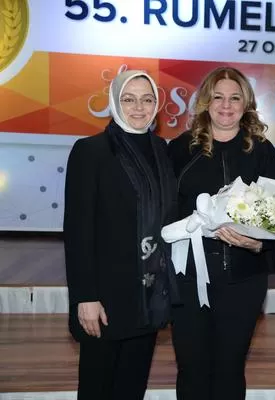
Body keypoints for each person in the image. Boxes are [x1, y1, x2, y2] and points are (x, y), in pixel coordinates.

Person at [167, 66, 275, 400]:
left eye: (235, 98)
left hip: (244, 280)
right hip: (188, 278)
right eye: (218, 97)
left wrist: (258, 243)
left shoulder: (262, 151)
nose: (226, 105)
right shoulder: (179, 150)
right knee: (191, 368)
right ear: (206, 102)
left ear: (246, 105)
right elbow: (163, 211)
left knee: (230, 368)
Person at [63, 70, 179, 399]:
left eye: (147, 99)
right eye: (129, 99)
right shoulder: (91, 151)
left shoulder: (162, 149)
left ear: (157, 105)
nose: (139, 108)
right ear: (114, 102)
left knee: (132, 388)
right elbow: (78, 230)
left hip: (147, 294)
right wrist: (85, 297)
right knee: (97, 388)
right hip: (105, 298)